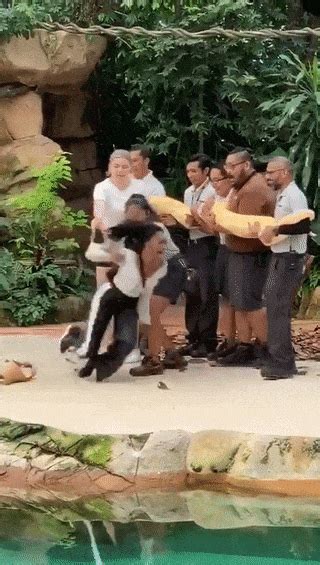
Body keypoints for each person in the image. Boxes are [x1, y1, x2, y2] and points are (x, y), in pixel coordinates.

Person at [78, 222, 167, 382]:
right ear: (147, 243)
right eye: (159, 241)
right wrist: (104, 244)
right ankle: (90, 361)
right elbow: (91, 254)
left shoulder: (160, 265)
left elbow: (146, 297)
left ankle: (100, 364)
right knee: (97, 334)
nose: (163, 245)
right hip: (113, 296)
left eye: (164, 242)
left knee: (127, 342)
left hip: (129, 304)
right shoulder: (128, 255)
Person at [219, 148, 275, 366]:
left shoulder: (253, 190)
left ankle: (266, 349)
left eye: (232, 166)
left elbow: (244, 229)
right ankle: (245, 347)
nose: (228, 171)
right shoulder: (240, 187)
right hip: (239, 253)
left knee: (251, 304)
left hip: (251, 254)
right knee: (239, 303)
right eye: (227, 166)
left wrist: (213, 224)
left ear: (246, 165)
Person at [121, 194, 187, 376]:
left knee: (148, 313)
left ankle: (154, 361)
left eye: (137, 213)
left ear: (146, 213)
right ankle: (172, 353)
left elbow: (154, 260)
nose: (133, 217)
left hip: (170, 269)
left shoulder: (154, 229)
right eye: (129, 213)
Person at [257, 157, 310, 380]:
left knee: (278, 309)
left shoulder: (295, 195)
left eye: (272, 172)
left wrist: (275, 231)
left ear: (285, 172)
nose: (267, 176)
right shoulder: (282, 194)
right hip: (280, 257)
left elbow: (304, 223)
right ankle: (279, 357)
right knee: (273, 307)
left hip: (289, 259)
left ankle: (283, 364)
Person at [182, 153, 219, 358]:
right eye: (188, 171)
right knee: (191, 289)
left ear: (205, 171)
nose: (190, 175)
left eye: (194, 171)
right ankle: (193, 336)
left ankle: (208, 340)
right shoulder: (189, 192)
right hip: (192, 243)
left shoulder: (213, 191)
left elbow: (207, 219)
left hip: (207, 244)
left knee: (207, 292)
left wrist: (195, 217)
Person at [92, 149, 145, 287]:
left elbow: (143, 213)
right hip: (111, 239)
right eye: (116, 166)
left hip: (134, 240)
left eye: (124, 166)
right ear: (110, 167)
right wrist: (106, 229)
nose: (120, 170)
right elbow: (98, 213)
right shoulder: (102, 187)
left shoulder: (139, 186)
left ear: (130, 168)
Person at [203, 162, 237, 362]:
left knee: (237, 299)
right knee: (224, 296)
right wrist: (204, 218)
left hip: (236, 249)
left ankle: (242, 342)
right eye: (212, 180)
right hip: (222, 248)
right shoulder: (214, 198)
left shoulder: (235, 196)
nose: (214, 184)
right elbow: (213, 230)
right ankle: (228, 339)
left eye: (218, 180)